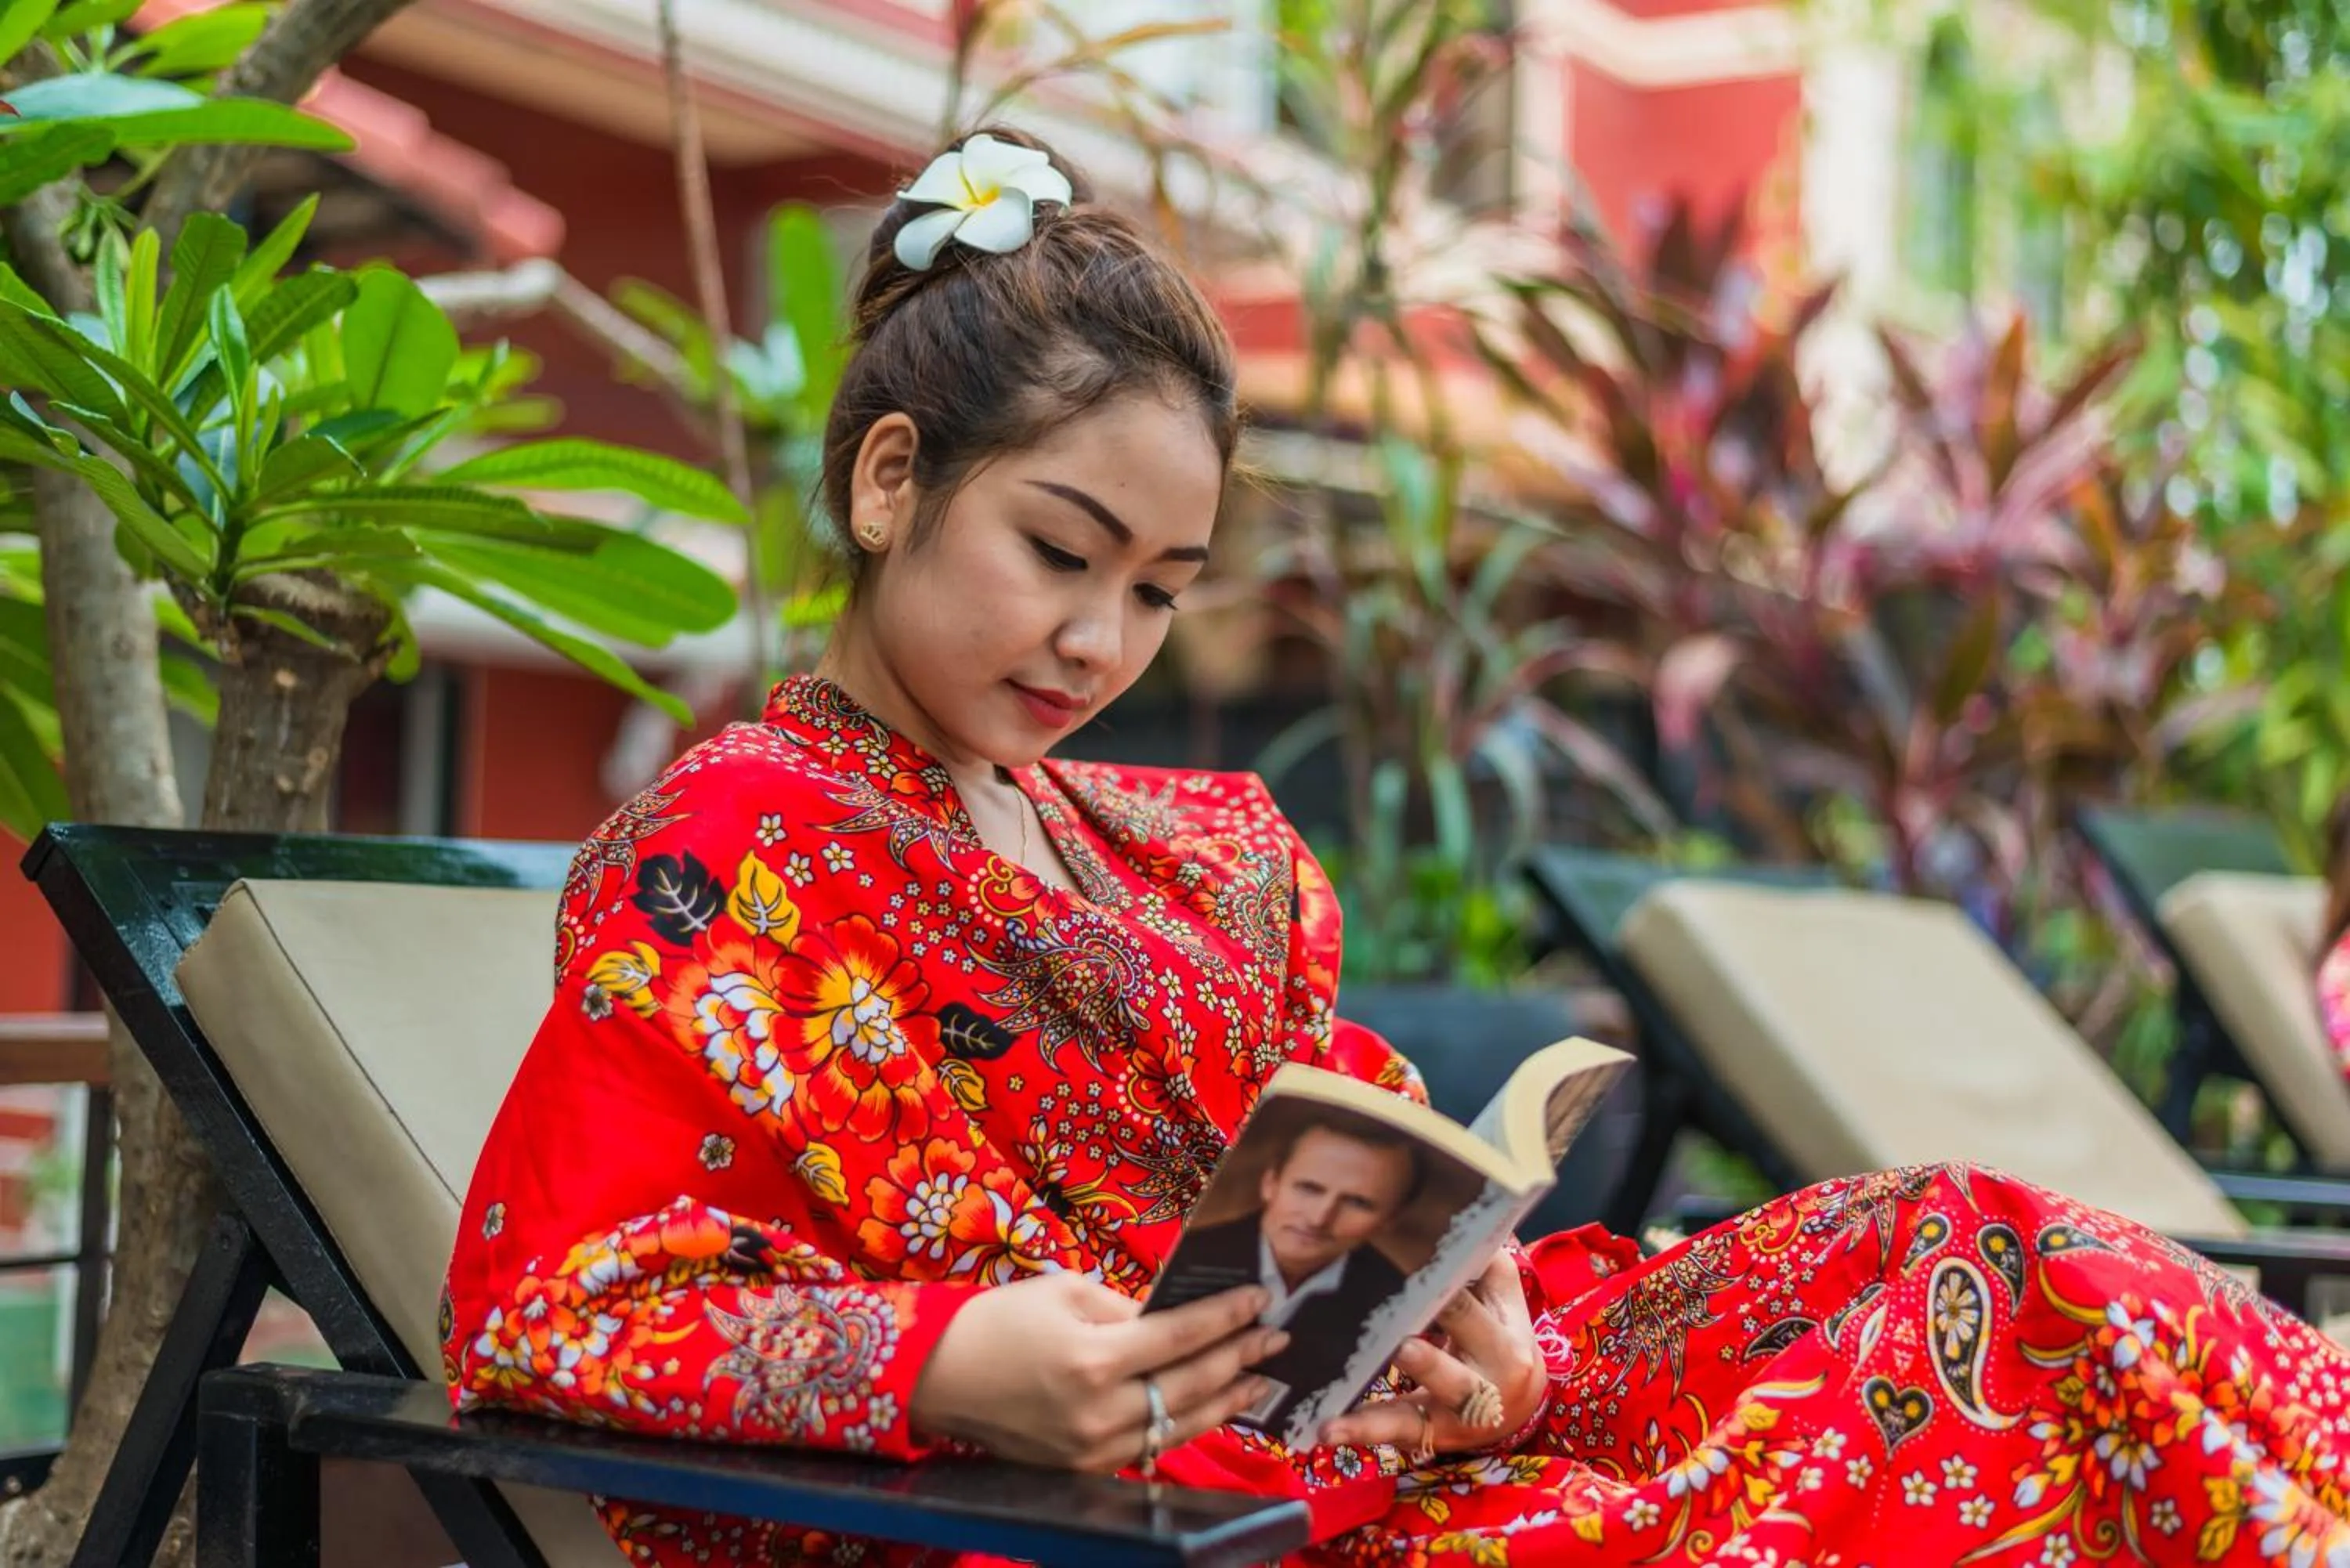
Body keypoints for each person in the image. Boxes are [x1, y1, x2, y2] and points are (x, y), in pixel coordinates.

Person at [445, 125, 2350, 1566]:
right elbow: (553, 1312)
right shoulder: (722, 855)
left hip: (1375, 1443)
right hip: (1119, 1515)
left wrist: (1488, 1334)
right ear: (891, 482)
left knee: (1974, 1241)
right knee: (1950, 1395)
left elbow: (1374, 1175)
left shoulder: (1188, 854)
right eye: (1060, 552)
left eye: (1160, 589)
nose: (1101, 640)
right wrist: (953, 1361)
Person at [1157, 1114, 1420, 1429]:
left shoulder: (1396, 1298)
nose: (1319, 1218)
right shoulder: (1197, 1251)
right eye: (1309, 1188)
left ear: (1390, 1220)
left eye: (1358, 1203)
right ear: (1270, 1183)